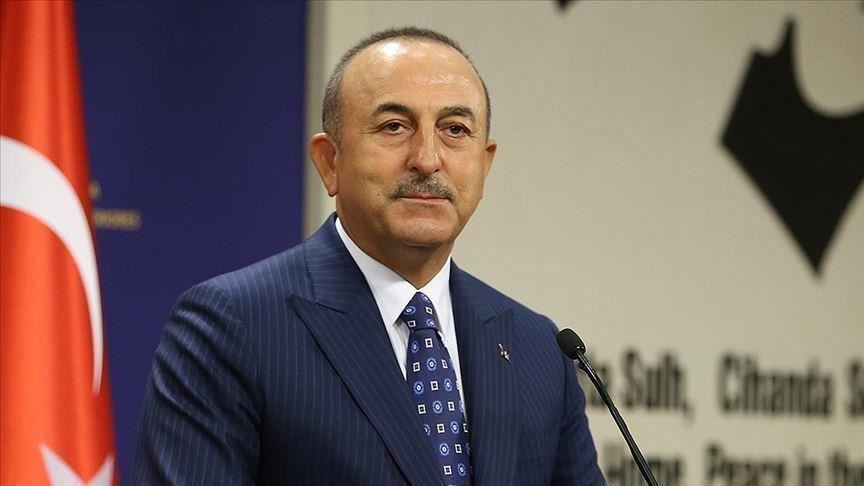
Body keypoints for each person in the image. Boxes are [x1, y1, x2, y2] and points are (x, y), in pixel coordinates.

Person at [135, 26, 603, 485]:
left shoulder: (538, 348)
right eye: (394, 127)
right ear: (329, 161)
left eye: (455, 130)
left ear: (485, 163)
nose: (427, 158)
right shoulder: (232, 327)